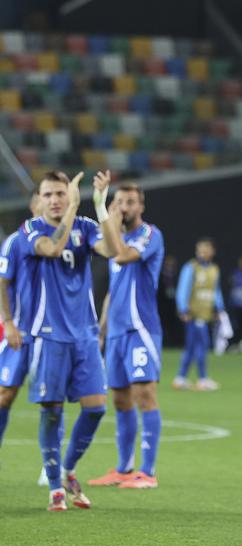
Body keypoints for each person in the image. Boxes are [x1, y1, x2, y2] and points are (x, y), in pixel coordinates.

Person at [24, 170, 124, 511]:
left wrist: (98, 204)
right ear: (39, 199)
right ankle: (54, 487)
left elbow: (113, 249)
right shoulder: (32, 229)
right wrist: (72, 210)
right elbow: (52, 250)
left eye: (60, 194)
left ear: (70, 196)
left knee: (95, 408)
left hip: (84, 336)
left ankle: (67, 470)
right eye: (48, 194)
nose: (54, 200)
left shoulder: (83, 225)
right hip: (49, 336)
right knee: (51, 412)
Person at [88, 174, 165, 489]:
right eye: (119, 201)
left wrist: (105, 214)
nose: (124, 207)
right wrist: (102, 328)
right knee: (120, 399)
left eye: (130, 201)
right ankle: (123, 468)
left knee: (144, 394)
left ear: (141, 205)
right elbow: (112, 289)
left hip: (140, 329)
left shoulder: (149, 234)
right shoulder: (115, 239)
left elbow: (122, 255)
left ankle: (147, 472)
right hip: (117, 333)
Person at [0, 190, 45, 456]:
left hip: (51, 335)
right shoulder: (14, 242)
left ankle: (51, 466)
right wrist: (8, 322)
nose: (50, 202)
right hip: (19, 333)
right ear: (32, 204)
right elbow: (2, 283)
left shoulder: (60, 243)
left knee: (51, 402)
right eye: (43, 196)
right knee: (5, 394)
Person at [173, 238, 225, 390]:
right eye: (200, 249)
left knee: (191, 347)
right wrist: (183, 309)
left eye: (206, 249)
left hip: (206, 313)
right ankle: (202, 379)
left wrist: (219, 308)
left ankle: (180, 378)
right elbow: (183, 289)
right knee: (202, 345)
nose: (202, 252)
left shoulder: (214, 269)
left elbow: (216, 291)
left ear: (212, 251)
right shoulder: (191, 267)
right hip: (194, 314)